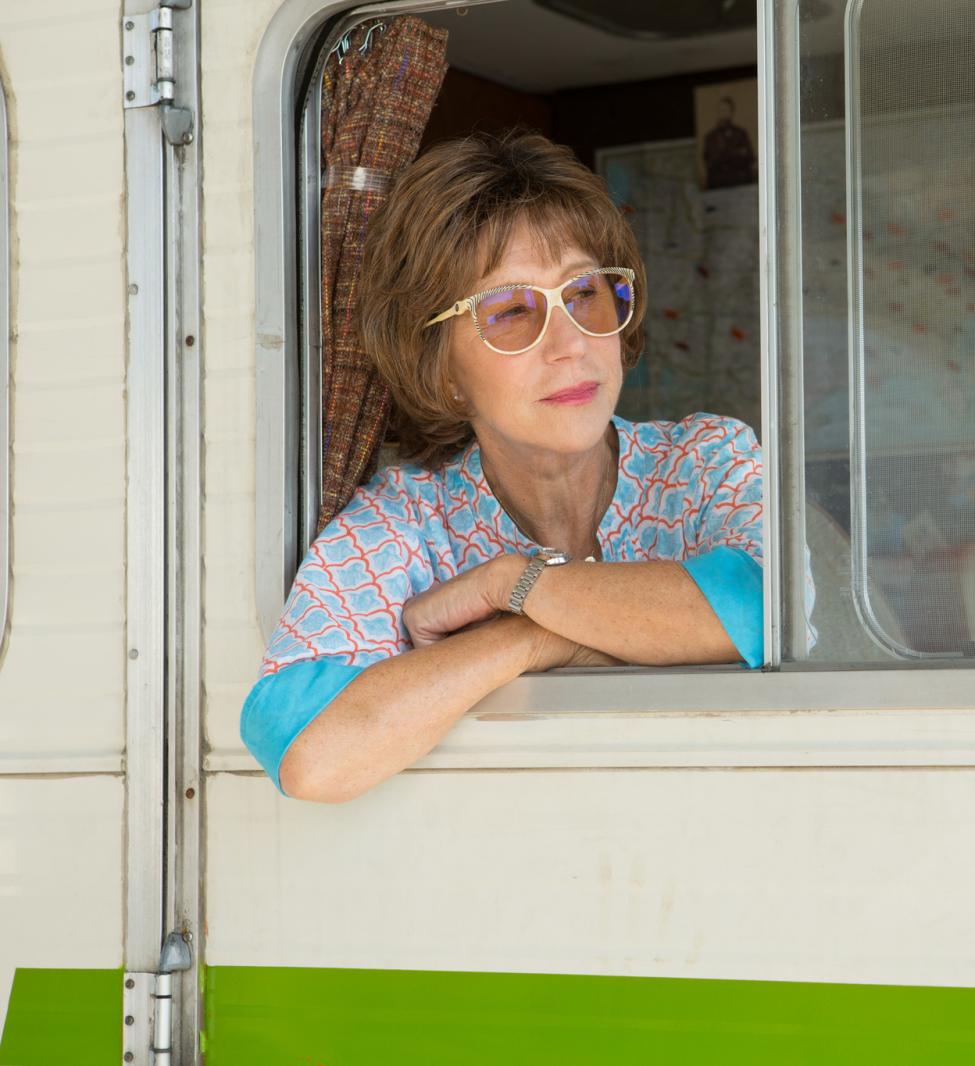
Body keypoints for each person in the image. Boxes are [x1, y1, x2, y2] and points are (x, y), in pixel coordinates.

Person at [242, 132, 765, 803]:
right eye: (512, 311)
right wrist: (533, 640)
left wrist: (511, 585)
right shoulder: (405, 521)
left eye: (585, 292)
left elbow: (764, 610)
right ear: (441, 369)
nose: (571, 343)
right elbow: (310, 753)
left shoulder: (704, 460)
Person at [702, 96, 756, 189]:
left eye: (727, 110)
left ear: (732, 112)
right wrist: (737, 152)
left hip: (740, 181)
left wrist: (724, 154)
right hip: (718, 183)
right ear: (718, 112)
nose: (724, 113)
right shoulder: (710, 137)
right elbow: (710, 162)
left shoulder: (741, 133)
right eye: (721, 110)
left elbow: (750, 157)